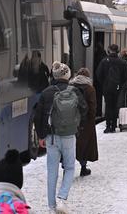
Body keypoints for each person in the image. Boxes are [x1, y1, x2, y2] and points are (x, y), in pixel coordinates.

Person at [34, 62, 88, 213]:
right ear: (68, 75)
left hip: (51, 137)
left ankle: (51, 207)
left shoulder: (46, 92)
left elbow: (38, 116)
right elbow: (85, 110)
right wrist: (77, 126)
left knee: (52, 171)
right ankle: (62, 198)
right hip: (69, 136)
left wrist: (41, 135)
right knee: (70, 167)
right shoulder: (75, 91)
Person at [70, 68, 99, 177]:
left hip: (72, 121)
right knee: (85, 145)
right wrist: (91, 120)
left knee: (72, 144)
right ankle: (83, 167)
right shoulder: (90, 89)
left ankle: (67, 168)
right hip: (86, 122)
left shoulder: (71, 87)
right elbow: (92, 107)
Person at [96, 44, 127, 133]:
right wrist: (120, 84)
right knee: (115, 106)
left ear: (109, 50)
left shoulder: (104, 61)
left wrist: (103, 83)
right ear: (118, 51)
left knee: (108, 106)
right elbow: (125, 76)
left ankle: (108, 125)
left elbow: (98, 74)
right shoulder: (122, 62)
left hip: (107, 87)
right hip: (117, 87)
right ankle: (114, 125)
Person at [93, 42, 107, 117]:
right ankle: (99, 111)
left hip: (98, 81)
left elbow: (98, 71)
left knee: (97, 96)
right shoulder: (104, 56)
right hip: (103, 81)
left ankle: (98, 111)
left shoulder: (98, 57)